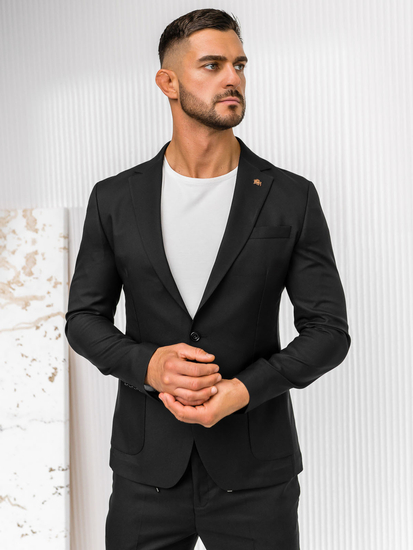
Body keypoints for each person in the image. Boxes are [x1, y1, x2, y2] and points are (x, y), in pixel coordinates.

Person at [65, 8, 350, 550]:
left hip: (256, 473)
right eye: (213, 65)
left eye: (239, 65)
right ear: (168, 83)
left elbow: (329, 332)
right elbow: (83, 319)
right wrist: (148, 365)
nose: (232, 78)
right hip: (146, 471)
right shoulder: (115, 198)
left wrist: (243, 390)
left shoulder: (291, 196)